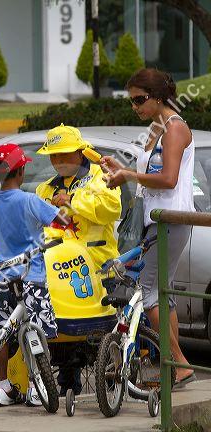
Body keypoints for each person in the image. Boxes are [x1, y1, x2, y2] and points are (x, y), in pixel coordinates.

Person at [100, 68, 196, 387]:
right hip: (156, 221)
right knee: (162, 296)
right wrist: (123, 170)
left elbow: (169, 178)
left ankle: (180, 365)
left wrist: (129, 176)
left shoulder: (175, 129)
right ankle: (172, 366)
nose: (135, 107)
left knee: (150, 294)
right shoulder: (157, 127)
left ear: (158, 97)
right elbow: (148, 174)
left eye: (140, 100)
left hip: (172, 220)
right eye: (131, 102)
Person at [36, 124, 122, 395]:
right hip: (63, 275)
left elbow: (110, 208)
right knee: (61, 338)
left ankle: (112, 387)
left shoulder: (101, 175)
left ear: (81, 151)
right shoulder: (44, 188)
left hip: (100, 269)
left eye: (65, 155)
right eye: (54, 156)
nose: (59, 161)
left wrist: (71, 200)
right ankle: (65, 387)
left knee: (103, 337)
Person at [0, 143, 69, 406]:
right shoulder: (31, 200)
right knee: (38, 330)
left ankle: (3, 388)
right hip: (33, 277)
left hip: (4, 278)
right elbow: (62, 221)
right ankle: (36, 387)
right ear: (20, 172)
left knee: (2, 331)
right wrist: (60, 203)